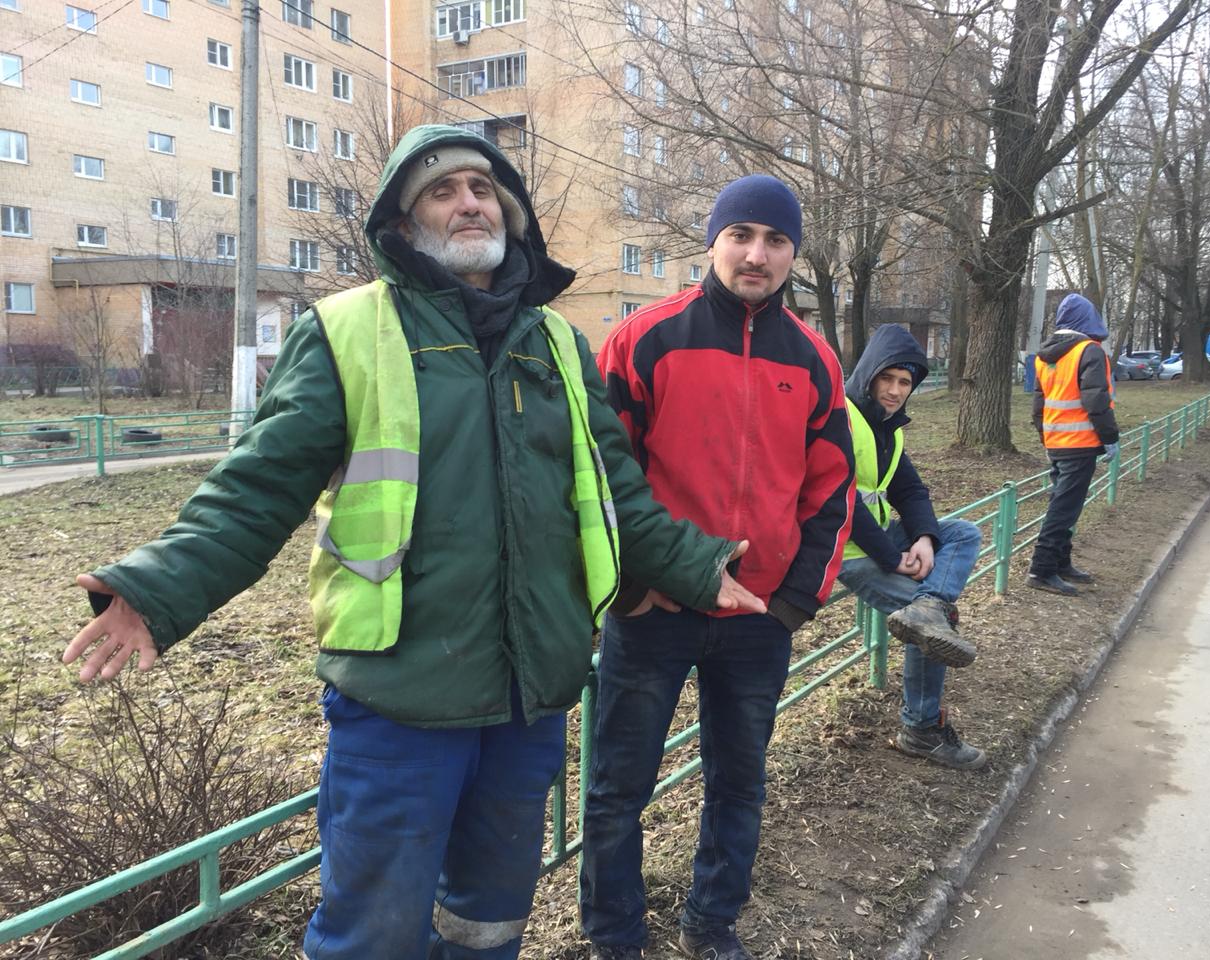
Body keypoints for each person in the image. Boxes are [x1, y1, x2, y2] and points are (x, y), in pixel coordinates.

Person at [60, 126, 766, 960]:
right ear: (401, 225)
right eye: (442, 190)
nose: (469, 202)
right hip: (400, 697)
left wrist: (695, 565)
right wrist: (154, 587)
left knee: (490, 920)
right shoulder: (347, 332)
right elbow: (256, 487)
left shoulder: (560, 347)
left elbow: (617, 493)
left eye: (483, 189)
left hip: (529, 696)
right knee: (374, 934)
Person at [579, 175, 856, 960]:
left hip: (757, 619)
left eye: (775, 240)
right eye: (741, 235)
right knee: (616, 792)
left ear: (794, 253)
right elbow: (604, 477)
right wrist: (631, 588)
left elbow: (833, 486)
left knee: (738, 784)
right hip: (655, 611)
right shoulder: (645, 339)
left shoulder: (813, 359)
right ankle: (614, 937)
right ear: (713, 241)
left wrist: (795, 600)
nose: (756, 255)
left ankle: (712, 922)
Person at [835, 325, 985, 770]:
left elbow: (912, 491)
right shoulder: (839, 417)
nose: (896, 390)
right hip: (846, 552)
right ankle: (920, 729)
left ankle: (930, 604)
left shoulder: (888, 428)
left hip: (879, 542)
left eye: (906, 382)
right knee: (934, 629)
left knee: (962, 532)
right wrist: (890, 556)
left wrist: (921, 538)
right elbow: (838, 500)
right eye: (888, 379)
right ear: (869, 374)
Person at [1027, 292, 1119, 596]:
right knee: (1064, 508)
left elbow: (1039, 403)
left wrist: (1046, 437)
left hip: (1056, 440)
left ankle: (1061, 562)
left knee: (1064, 503)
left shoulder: (1044, 355)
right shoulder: (1089, 351)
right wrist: (1110, 439)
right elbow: (1096, 400)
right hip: (1080, 442)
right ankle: (1041, 569)